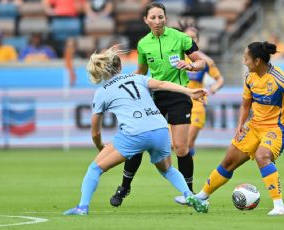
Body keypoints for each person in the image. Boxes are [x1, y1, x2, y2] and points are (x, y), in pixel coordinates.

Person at [185, 41, 284, 215]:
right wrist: (240, 125)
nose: (244, 61)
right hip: (254, 127)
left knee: (262, 156)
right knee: (229, 161)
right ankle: (202, 196)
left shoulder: (279, 78)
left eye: (246, 58)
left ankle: (279, 206)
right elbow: (246, 104)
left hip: (277, 128)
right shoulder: (249, 77)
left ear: (258, 61)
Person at [63, 46, 209, 215]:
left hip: (135, 133)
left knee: (95, 169)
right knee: (167, 169)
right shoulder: (138, 78)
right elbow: (162, 84)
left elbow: (95, 132)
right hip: (160, 128)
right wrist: (190, 91)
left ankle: (82, 207)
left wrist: (100, 147)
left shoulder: (101, 92)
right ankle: (188, 194)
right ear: (119, 66)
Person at [109, 2, 206, 207]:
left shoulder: (181, 38)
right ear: (146, 20)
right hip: (154, 98)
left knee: (181, 148)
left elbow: (201, 62)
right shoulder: (144, 44)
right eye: (152, 17)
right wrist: (122, 83)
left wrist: (190, 65)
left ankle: (189, 193)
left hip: (179, 95)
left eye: (160, 17)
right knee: (139, 143)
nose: (157, 21)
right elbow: (142, 72)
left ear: (165, 18)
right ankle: (124, 187)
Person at [173, 22, 224, 204]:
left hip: (197, 105)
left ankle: (189, 191)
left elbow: (220, 79)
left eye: (194, 38)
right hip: (178, 103)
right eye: (188, 37)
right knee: (179, 146)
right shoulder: (176, 58)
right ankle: (189, 190)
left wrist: (212, 89)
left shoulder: (204, 61)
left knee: (186, 143)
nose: (191, 40)